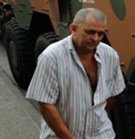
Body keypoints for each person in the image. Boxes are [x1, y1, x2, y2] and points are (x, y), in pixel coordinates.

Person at [26, 8, 125, 139]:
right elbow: (45, 104)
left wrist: (96, 120)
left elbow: (112, 93)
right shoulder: (51, 57)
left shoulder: (110, 55)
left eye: (100, 34)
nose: (95, 38)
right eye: (90, 32)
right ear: (73, 29)